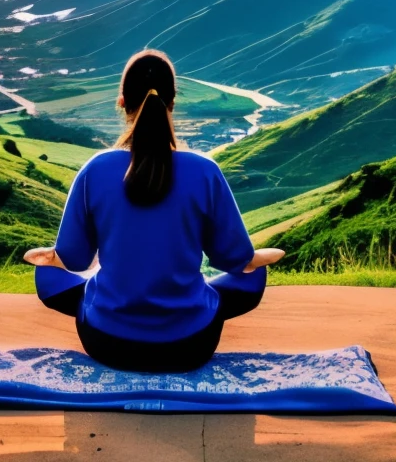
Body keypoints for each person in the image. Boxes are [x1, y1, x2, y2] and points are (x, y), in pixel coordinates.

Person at [24, 49, 283, 373]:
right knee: (253, 276)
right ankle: (190, 303)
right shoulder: (204, 171)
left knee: (46, 271)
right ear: (173, 103)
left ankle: (110, 302)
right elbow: (235, 260)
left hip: (106, 342)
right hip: (191, 344)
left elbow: (73, 259)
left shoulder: (96, 169)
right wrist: (257, 259)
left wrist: (52, 255)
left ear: (122, 103)